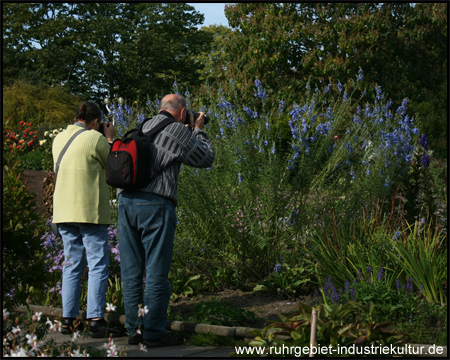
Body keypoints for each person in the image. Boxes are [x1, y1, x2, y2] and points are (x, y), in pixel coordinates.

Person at [117, 94, 215, 347]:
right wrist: (198, 130)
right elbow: (205, 158)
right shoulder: (177, 129)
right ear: (183, 113)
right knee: (156, 273)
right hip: (155, 205)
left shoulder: (142, 127)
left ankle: (134, 330)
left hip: (125, 201)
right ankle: (153, 332)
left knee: (130, 272)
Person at [52, 101, 122, 338]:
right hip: (89, 212)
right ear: (95, 122)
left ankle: (67, 320)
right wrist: (110, 139)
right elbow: (114, 166)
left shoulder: (58, 139)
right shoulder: (95, 139)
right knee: (97, 264)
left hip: (63, 211)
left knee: (71, 265)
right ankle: (95, 320)